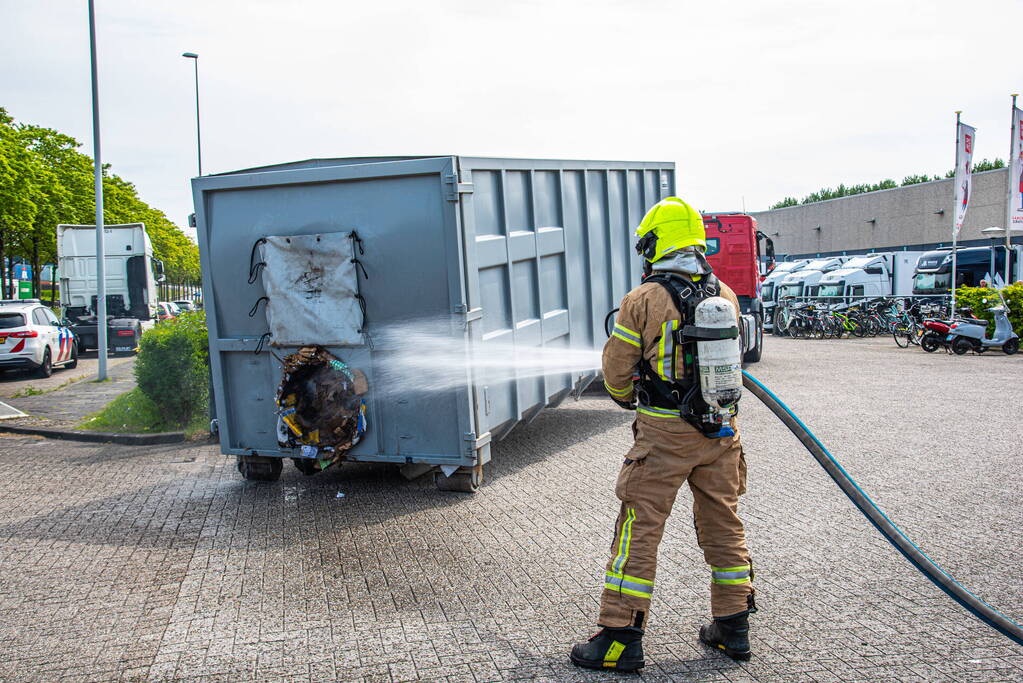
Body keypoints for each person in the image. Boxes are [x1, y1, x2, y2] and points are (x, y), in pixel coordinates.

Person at [570, 197, 756, 672]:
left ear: (655, 243)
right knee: (723, 523)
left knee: (639, 529)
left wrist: (622, 394)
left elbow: (616, 369)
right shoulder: (726, 294)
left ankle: (619, 638)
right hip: (720, 431)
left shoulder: (644, 299)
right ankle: (732, 629)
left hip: (665, 435)